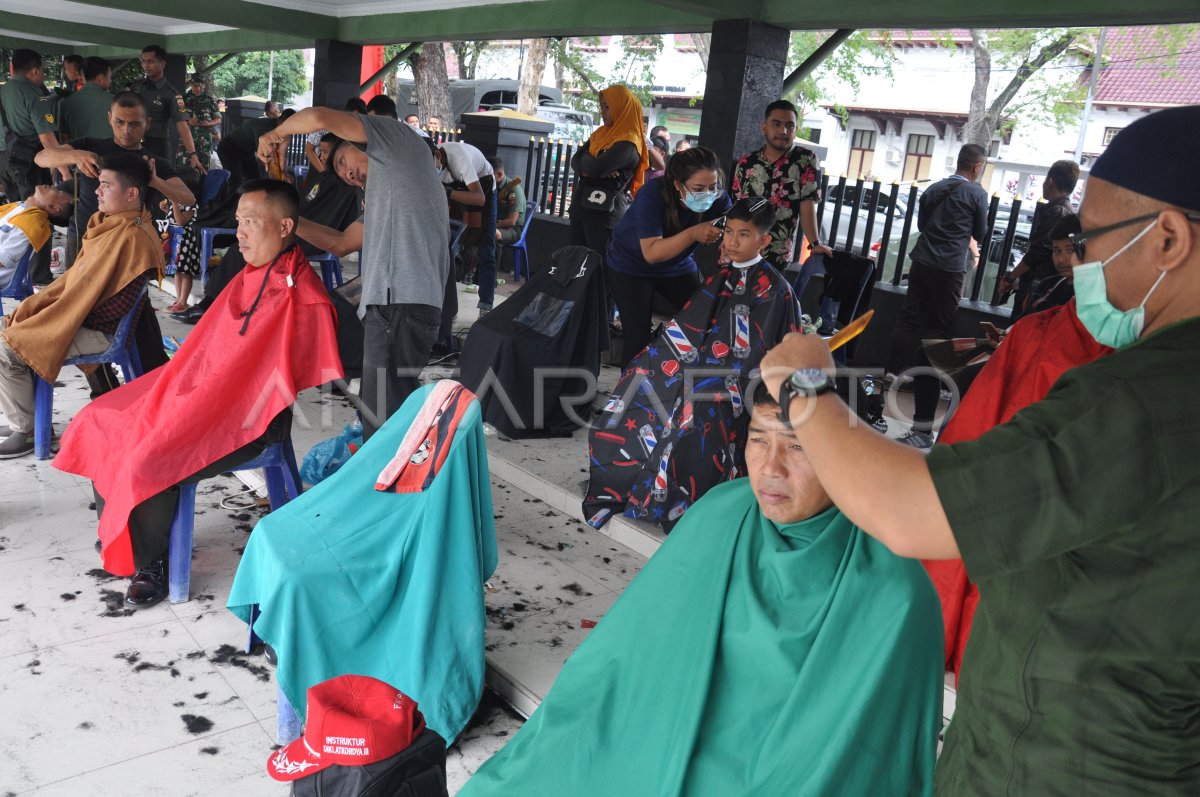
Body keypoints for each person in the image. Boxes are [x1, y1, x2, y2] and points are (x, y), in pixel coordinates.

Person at [759, 105, 1200, 794]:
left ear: (1168, 238)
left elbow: (911, 510)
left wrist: (807, 390)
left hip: (1065, 761)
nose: (1079, 264)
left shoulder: (1142, 396)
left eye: (1089, 240)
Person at [466, 382, 943, 796]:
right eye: (759, 439)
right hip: (665, 723)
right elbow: (628, 649)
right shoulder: (724, 512)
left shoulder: (893, 588)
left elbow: (866, 756)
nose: (770, 467)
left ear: (846, 452)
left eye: (798, 446)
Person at [53, 179, 343, 607]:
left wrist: (204, 404)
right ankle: (128, 530)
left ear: (284, 227)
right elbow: (211, 350)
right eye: (239, 221)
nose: (239, 232)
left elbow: (280, 382)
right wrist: (188, 391)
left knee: (154, 447)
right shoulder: (248, 273)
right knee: (105, 416)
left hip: (251, 421)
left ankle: (153, 559)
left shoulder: (305, 296)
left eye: (251, 223)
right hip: (203, 395)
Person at [257, 106, 448, 441]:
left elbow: (317, 117)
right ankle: (400, 479)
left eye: (344, 161)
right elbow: (341, 243)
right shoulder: (390, 192)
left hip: (399, 303)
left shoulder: (399, 141)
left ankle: (392, 487)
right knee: (388, 409)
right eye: (340, 173)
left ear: (362, 138)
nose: (347, 174)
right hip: (398, 306)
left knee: (384, 419)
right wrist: (286, 220)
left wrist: (278, 134)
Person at [0, 153, 161, 459]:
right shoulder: (109, 225)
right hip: (82, 318)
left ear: (131, 193)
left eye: (104, 185)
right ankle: (30, 419)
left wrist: (62, 318)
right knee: (8, 325)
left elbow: (114, 306)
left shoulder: (134, 236)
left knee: (6, 348)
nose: (97, 192)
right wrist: (55, 309)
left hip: (102, 330)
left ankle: (28, 430)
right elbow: (78, 283)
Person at [903, 215, 1084, 451]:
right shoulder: (1053, 283)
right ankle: (922, 431)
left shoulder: (1083, 296)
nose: (1061, 258)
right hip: (1005, 345)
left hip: (1029, 360)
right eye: (1056, 251)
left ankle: (956, 448)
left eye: (1069, 250)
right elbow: (1025, 323)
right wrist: (1004, 334)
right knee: (927, 353)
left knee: (971, 377)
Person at [34, 91, 197, 270]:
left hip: (127, 244)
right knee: (77, 295)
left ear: (147, 123)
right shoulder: (90, 146)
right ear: (110, 118)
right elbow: (41, 158)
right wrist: (76, 155)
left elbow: (188, 198)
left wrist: (155, 181)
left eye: (134, 124)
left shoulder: (154, 163)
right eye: (120, 122)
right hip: (83, 237)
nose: (126, 130)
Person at [605, 144, 731, 369]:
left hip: (678, 266)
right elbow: (652, 253)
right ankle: (627, 398)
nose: (708, 194)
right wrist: (694, 233)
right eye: (699, 188)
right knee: (637, 338)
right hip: (631, 267)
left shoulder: (718, 198)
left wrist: (728, 249)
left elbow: (733, 228)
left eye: (713, 186)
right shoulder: (652, 194)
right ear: (677, 185)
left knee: (707, 317)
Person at [886, 143, 989, 381]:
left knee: (908, 317)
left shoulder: (934, 188)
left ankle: (893, 370)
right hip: (951, 267)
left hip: (922, 260)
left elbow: (922, 226)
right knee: (939, 325)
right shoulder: (977, 194)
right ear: (977, 167)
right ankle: (924, 378)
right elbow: (980, 233)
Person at [731, 99, 831, 268]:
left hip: (776, 254)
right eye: (776, 124)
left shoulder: (806, 160)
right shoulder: (746, 163)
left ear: (795, 129)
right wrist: (727, 245)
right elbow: (736, 210)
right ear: (764, 127)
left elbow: (807, 205)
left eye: (789, 125)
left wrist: (815, 244)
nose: (783, 131)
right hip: (741, 250)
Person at [568, 85, 648, 270]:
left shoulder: (629, 141)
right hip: (582, 208)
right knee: (575, 264)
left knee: (597, 269)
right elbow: (575, 160)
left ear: (622, 108)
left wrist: (591, 163)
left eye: (607, 107)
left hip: (604, 215)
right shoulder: (601, 134)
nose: (602, 112)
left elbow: (594, 167)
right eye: (601, 106)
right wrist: (594, 166)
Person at [1, 50, 60, 285]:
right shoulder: (35, 96)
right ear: (35, 71)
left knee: (17, 216)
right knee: (39, 215)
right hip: (29, 162)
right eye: (42, 72)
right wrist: (64, 171)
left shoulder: (3, 89)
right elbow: (48, 142)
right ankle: (39, 274)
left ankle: (16, 271)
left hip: (5, 161)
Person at [998, 159, 1079, 312]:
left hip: (1038, 286)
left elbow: (1037, 252)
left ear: (1050, 181)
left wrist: (1011, 277)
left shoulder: (1057, 212)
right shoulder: (1067, 211)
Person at [435, 140, 496, 314]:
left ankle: (486, 305)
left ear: (438, 155)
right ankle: (442, 304)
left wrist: (448, 193)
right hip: (455, 189)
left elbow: (479, 198)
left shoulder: (459, 158)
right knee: (447, 246)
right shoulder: (430, 165)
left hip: (482, 186)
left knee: (486, 248)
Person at [127, 45, 204, 173]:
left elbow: (182, 125)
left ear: (162, 64)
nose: (146, 65)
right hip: (133, 144)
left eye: (150, 61)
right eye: (143, 61)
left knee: (161, 186)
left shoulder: (172, 94)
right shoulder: (136, 87)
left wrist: (193, 154)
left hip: (157, 146)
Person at [0, 185, 73, 291]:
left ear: (52, 207)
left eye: (58, 192)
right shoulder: (20, 207)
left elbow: (2, 260)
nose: (53, 186)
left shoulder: (32, 222)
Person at [218, 109, 293, 190]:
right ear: (281, 120)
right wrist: (279, 175)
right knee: (236, 183)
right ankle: (233, 202)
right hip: (229, 148)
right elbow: (263, 158)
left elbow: (280, 155)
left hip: (246, 151)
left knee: (255, 181)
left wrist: (282, 173)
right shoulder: (264, 128)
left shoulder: (282, 131)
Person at [57, 56, 114, 141]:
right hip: (110, 153)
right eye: (110, 77)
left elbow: (64, 138)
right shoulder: (115, 101)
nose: (110, 81)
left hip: (78, 153)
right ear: (101, 78)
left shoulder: (65, 102)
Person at [181, 73, 221, 170]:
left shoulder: (210, 100)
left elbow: (218, 119)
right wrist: (189, 122)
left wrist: (209, 123)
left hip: (204, 143)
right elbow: (178, 119)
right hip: (187, 143)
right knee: (185, 172)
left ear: (204, 85)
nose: (198, 88)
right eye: (195, 85)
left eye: (200, 86)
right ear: (191, 84)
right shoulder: (183, 100)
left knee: (204, 171)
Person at [490, 156, 526, 247]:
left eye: (489, 175)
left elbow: (511, 221)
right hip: (494, 223)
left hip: (512, 229)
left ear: (499, 174)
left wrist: (491, 226)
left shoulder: (513, 190)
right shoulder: (491, 186)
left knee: (493, 234)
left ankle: (492, 261)